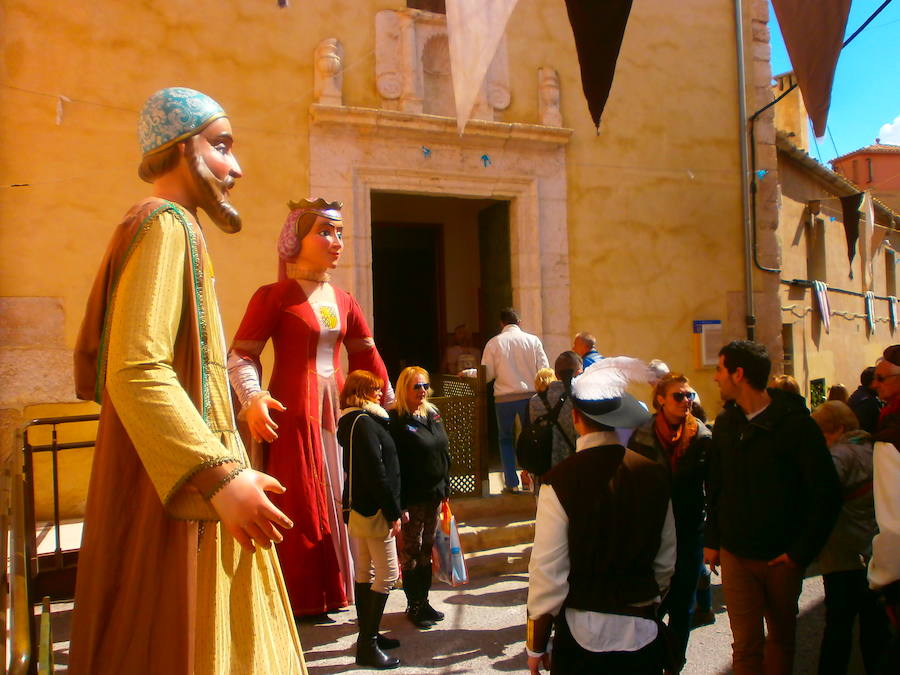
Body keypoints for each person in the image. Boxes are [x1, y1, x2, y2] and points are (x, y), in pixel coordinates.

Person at [70, 87, 305, 673]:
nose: (237, 167)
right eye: (222, 147)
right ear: (181, 149)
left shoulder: (171, 227)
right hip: (196, 486)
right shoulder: (166, 223)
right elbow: (136, 368)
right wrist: (220, 477)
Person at [227, 198, 393, 617]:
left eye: (339, 233)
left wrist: (395, 406)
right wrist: (254, 397)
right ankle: (303, 595)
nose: (336, 241)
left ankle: (349, 585)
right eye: (324, 231)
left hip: (340, 413)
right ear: (294, 239)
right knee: (300, 500)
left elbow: (367, 358)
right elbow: (242, 355)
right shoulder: (274, 296)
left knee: (346, 491)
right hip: (293, 413)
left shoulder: (344, 299)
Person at [526, 357, 675, 674]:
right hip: (643, 632)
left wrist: (536, 643)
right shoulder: (654, 474)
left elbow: (547, 574)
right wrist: (644, 602)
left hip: (582, 637)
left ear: (576, 417)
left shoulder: (560, 481)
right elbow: (665, 561)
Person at [705, 340, 842, 675]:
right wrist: (712, 539)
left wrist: (800, 553)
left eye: (720, 369)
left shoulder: (796, 425)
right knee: (745, 647)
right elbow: (717, 485)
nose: (716, 378)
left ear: (738, 374)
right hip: (736, 552)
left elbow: (826, 493)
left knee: (780, 640)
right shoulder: (726, 423)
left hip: (781, 556)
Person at [628, 372, 712, 671]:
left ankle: (675, 663)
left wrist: (712, 537)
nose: (686, 401)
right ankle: (651, 658)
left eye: (689, 395)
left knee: (684, 605)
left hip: (689, 529)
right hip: (652, 531)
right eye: (679, 395)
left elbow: (713, 488)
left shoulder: (701, 436)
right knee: (652, 601)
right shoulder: (643, 434)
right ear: (661, 399)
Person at [811, 401, 889, 674]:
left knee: (838, 628)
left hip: (843, 553)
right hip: (875, 550)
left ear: (836, 430)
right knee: (874, 628)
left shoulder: (839, 456)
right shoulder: (873, 449)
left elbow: (821, 497)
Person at [337, 370, 403, 669]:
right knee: (387, 574)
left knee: (365, 569)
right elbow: (376, 472)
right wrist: (392, 510)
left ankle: (370, 635)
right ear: (360, 392)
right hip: (374, 508)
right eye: (374, 389)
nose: (380, 393)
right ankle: (367, 644)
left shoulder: (355, 421)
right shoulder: (363, 423)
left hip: (360, 506)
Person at [390, 366, 451, 628]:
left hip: (434, 494)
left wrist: (446, 489)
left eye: (425, 385)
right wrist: (399, 504)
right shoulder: (396, 419)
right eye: (417, 386)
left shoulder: (432, 413)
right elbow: (394, 465)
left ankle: (424, 601)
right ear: (404, 388)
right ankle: (413, 605)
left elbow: (443, 452)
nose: (423, 391)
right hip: (412, 498)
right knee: (411, 553)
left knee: (427, 550)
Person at [481, 307, 549, 493]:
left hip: (503, 399)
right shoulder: (533, 341)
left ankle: (511, 482)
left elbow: (487, 374)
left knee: (505, 439)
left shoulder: (494, 343)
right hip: (529, 397)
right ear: (519, 322)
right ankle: (531, 478)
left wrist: (470, 374)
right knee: (532, 438)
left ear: (501, 324)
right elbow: (544, 370)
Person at [868, 346, 900, 672]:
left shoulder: (890, 436)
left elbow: (893, 524)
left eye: (881, 378)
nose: (875, 385)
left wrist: (881, 577)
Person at [527, 352, 582, 494]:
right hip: (574, 468)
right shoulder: (581, 398)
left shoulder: (535, 401)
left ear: (556, 373)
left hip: (545, 470)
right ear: (579, 372)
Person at [849, 366, 883, 434]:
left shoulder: (858, 395)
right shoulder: (868, 402)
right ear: (873, 382)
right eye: (880, 379)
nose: (882, 384)